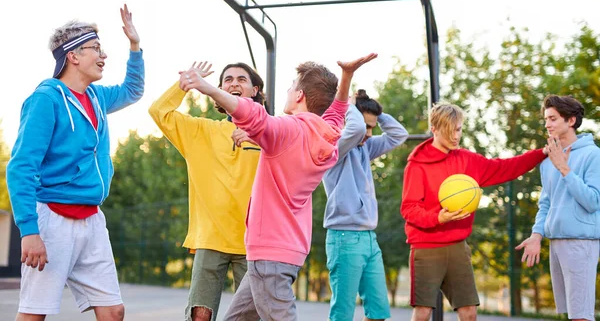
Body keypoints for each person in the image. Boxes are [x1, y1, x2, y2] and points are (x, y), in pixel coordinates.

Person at [178, 53, 377, 321]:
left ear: (299, 96)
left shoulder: (286, 131)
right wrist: (346, 77)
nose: (287, 89)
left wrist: (205, 86)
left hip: (269, 255)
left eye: (292, 85)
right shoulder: (326, 133)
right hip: (282, 251)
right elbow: (338, 109)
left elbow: (250, 113)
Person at [6, 4, 144, 321]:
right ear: (73, 56)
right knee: (34, 314)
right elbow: (21, 168)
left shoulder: (96, 96)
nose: (103, 55)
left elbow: (133, 90)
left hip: (92, 220)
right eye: (95, 48)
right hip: (52, 219)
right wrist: (29, 231)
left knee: (113, 311)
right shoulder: (46, 99)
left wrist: (134, 47)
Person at [400, 102, 547, 321]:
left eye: (458, 129)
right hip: (426, 247)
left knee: (469, 313)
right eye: (450, 130)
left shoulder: (467, 160)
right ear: (435, 128)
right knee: (422, 313)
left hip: (458, 246)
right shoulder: (417, 165)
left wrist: (541, 153)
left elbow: (504, 167)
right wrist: (437, 217)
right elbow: (409, 208)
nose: (455, 136)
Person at [148, 61, 265, 321]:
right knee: (200, 315)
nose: (234, 83)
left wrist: (259, 135)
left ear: (255, 89)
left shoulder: (270, 132)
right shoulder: (200, 131)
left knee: (251, 317)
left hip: (254, 241)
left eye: (242, 79)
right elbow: (159, 111)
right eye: (228, 79)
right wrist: (183, 85)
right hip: (211, 237)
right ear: (218, 89)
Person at [322, 89, 408, 321]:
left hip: (370, 239)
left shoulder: (365, 148)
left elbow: (398, 135)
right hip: (344, 238)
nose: (370, 133)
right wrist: (349, 105)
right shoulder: (333, 148)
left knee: (379, 312)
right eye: (366, 127)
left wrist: (375, 112)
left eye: (372, 127)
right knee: (342, 314)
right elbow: (356, 129)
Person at [516, 95, 600, 321]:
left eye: (553, 119)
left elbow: (593, 201)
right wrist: (536, 235)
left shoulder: (593, 155)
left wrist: (564, 168)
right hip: (557, 241)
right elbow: (546, 203)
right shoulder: (548, 159)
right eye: (546, 119)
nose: (547, 124)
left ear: (571, 120)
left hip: (581, 242)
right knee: (572, 315)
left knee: (581, 316)